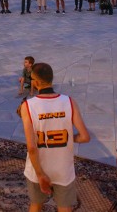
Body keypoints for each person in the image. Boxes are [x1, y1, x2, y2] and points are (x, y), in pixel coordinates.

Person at [20, 62, 90, 212]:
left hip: (38, 169)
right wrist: (70, 138)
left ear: (37, 82)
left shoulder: (28, 106)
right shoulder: (69, 102)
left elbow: (32, 148)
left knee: (36, 205)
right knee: (65, 207)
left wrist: (40, 174)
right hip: (63, 168)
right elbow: (85, 137)